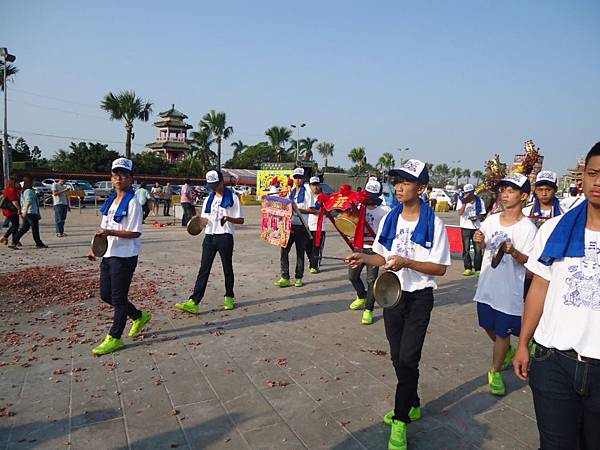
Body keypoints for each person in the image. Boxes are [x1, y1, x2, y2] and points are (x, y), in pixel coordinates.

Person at [345, 160, 450, 450]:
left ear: (422, 187)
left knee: (408, 359)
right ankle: (413, 401)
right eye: (397, 181)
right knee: (396, 357)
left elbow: (440, 268)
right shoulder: (392, 218)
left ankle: (401, 420)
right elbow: (382, 257)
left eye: (406, 182)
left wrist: (408, 262)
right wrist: (363, 257)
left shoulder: (434, 223)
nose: (399, 187)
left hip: (419, 298)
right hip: (392, 295)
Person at [512, 143, 600, 449]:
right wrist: (523, 342)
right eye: (592, 173)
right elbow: (539, 286)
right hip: (555, 363)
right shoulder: (554, 230)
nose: (598, 182)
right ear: (584, 178)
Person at [472, 173, 537, 396]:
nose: (505, 194)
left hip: (510, 292)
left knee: (502, 332)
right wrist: (479, 242)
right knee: (488, 326)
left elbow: (529, 261)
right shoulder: (491, 220)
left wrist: (514, 252)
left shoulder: (528, 228)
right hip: (487, 286)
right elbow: (484, 247)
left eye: (511, 190)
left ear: (524, 196)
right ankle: (507, 350)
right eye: (503, 190)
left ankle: (495, 371)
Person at [88, 158, 151, 356]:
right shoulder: (110, 202)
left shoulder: (133, 203)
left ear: (131, 179)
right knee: (106, 295)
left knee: (118, 297)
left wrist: (110, 233)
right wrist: (94, 247)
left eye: (123, 175)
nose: (118, 179)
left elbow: (135, 232)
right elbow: (102, 229)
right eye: (116, 175)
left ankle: (115, 337)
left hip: (124, 256)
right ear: (111, 178)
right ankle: (139, 316)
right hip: (108, 254)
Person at [176, 170, 244, 314]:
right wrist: (198, 222)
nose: (212, 188)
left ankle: (229, 296)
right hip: (209, 237)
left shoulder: (233, 198)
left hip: (224, 236)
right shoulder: (208, 199)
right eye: (210, 185)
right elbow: (204, 220)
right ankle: (194, 301)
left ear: (221, 182)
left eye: (215, 184)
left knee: (227, 267)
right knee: (204, 268)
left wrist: (228, 218)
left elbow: (241, 220)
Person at [347, 178, 390, 325]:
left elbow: (388, 232)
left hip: (374, 250)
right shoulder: (359, 206)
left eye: (371, 195)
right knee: (352, 276)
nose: (368, 198)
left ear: (378, 195)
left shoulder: (385, 211)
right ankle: (361, 296)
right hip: (359, 246)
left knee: (371, 280)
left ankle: (369, 309)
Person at [274, 168, 315, 288]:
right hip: (289, 226)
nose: (298, 180)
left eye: (300, 178)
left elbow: (312, 210)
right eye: (296, 177)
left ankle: (299, 277)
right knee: (284, 251)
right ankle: (285, 277)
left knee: (300, 253)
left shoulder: (308, 193)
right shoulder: (290, 192)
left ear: (303, 178)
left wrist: (298, 210)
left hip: (301, 227)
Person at [9, 175, 47, 249]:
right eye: (33, 181)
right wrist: (25, 211)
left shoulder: (25, 190)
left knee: (25, 228)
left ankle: (14, 242)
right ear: (30, 182)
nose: (34, 182)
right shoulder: (29, 191)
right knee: (35, 228)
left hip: (28, 211)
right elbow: (28, 201)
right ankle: (38, 243)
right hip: (30, 212)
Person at [457, 183, 487, 276]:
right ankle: (468, 268)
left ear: (473, 192)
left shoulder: (479, 200)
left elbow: (483, 214)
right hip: (465, 227)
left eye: (469, 193)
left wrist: (476, 217)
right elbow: (460, 213)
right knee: (466, 249)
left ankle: (478, 268)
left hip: (476, 227)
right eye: (466, 193)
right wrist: (465, 203)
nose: (467, 195)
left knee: (478, 249)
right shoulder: (461, 200)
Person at [306, 176, 326, 273]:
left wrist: (312, 211)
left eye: (316, 185)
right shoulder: (307, 196)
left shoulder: (324, 197)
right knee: (307, 246)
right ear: (310, 186)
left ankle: (314, 266)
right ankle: (312, 261)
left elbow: (325, 211)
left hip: (320, 227)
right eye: (313, 185)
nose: (315, 187)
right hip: (308, 226)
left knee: (316, 247)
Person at [1, 175, 21, 246]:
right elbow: (14, 201)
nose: (18, 184)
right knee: (15, 225)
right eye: (17, 183)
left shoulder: (8, 188)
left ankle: (12, 239)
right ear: (14, 183)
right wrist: (19, 209)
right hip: (11, 210)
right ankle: (11, 239)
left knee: (15, 225)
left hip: (9, 210)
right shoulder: (11, 190)